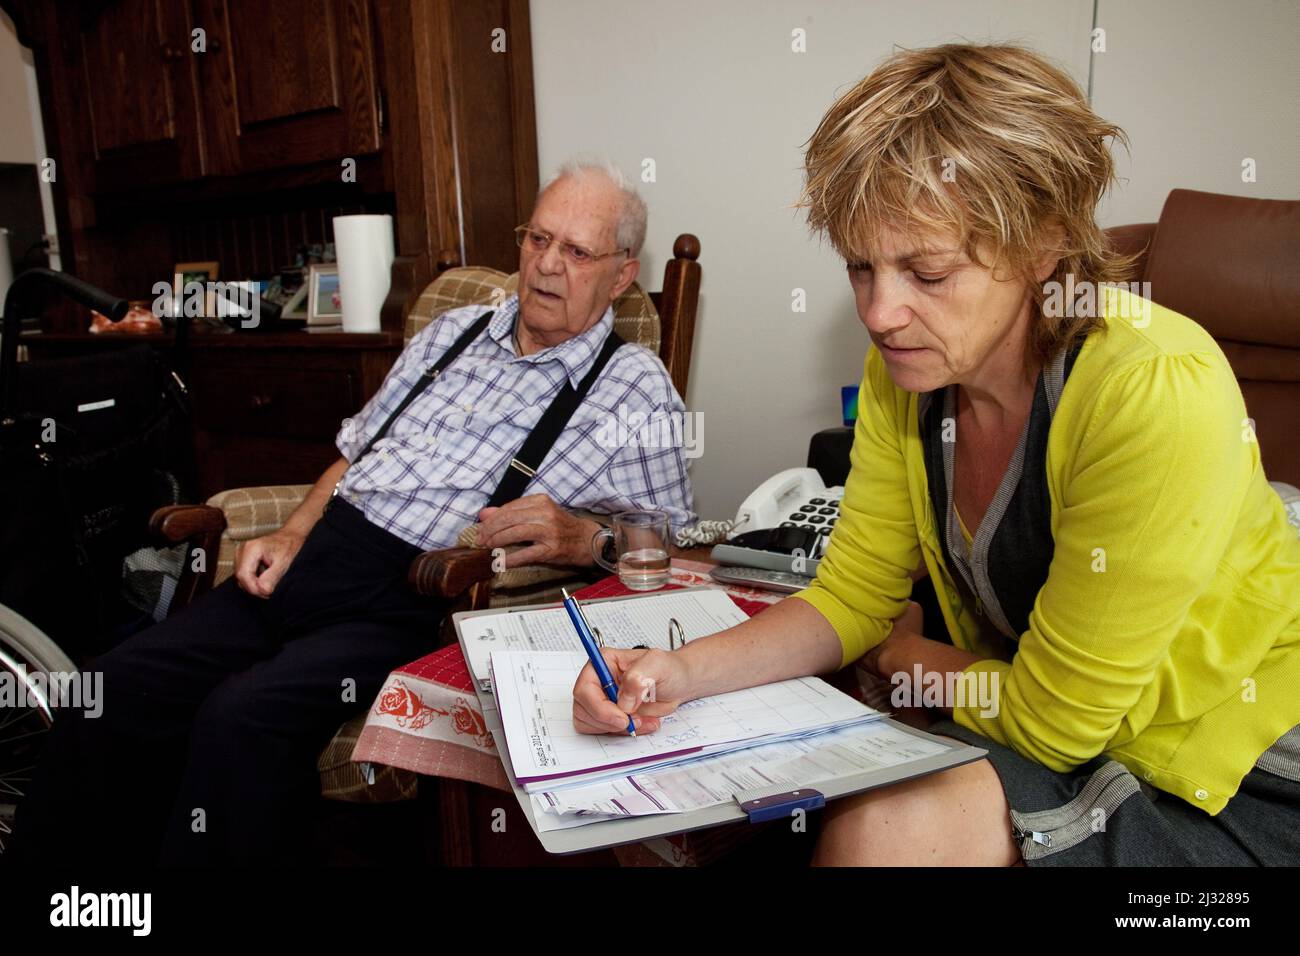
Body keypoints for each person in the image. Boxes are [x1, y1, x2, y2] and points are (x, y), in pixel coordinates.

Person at [572, 44, 1300, 866]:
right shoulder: (903, 376)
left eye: (927, 270)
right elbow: (851, 595)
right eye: (860, 267)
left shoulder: (1151, 392)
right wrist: (676, 672)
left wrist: (907, 655)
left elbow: (1055, 724)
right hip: (1053, 728)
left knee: (876, 829)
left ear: (1044, 245)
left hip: (1227, 766)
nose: (881, 313)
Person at [15, 161, 696, 865]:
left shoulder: (632, 390)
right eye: (537, 239)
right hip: (319, 558)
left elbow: (670, 547)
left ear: (620, 275)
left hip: (417, 601)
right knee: (112, 689)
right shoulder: (455, 332)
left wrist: (584, 536)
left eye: (576, 251)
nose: (546, 265)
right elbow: (352, 457)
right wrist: (292, 529)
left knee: (239, 716)